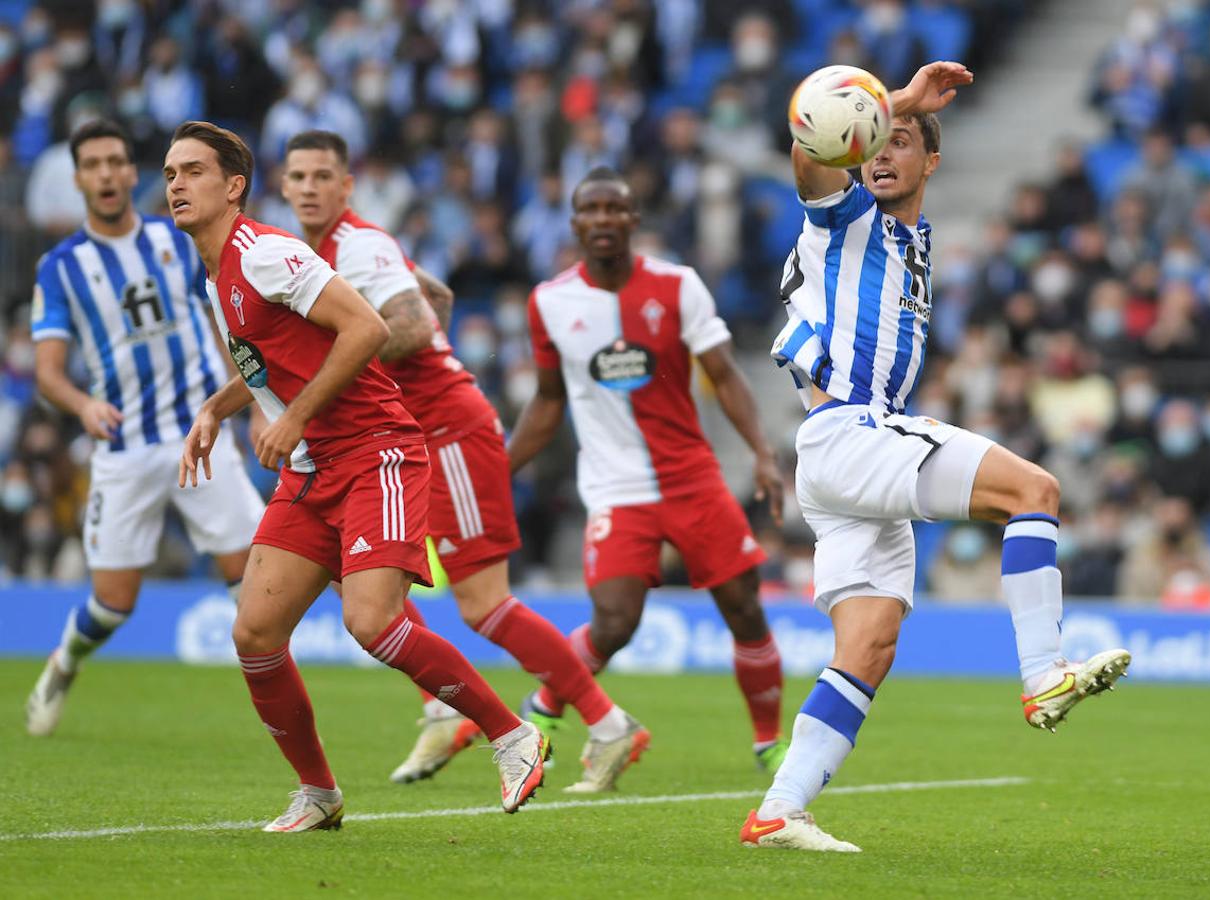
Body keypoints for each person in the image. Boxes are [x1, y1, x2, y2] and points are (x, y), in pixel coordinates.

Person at [741, 62, 1130, 853]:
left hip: (845, 462)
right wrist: (893, 104)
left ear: (931, 162)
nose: (882, 151)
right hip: (849, 432)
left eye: (902, 141)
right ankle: (1042, 674)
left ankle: (778, 812)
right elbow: (811, 156)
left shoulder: (910, 242)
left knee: (869, 646)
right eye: (875, 141)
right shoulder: (844, 220)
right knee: (1034, 489)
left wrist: (892, 117)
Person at [165, 120, 546, 832]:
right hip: (313, 472)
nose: (176, 185)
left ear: (233, 187)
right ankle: (319, 793)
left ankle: (513, 734)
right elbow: (276, 360)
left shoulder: (268, 253)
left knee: (370, 622)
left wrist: (294, 417)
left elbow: (368, 328)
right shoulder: (214, 273)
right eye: (170, 174)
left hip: (378, 452)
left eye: (191, 172)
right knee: (254, 633)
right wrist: (217, 408)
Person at [277, 129, 647, 793]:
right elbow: (437, 297)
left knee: (483, 605)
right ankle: (443, 709)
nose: (308, 188)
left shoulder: (357, 245)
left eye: (321, 176)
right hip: (402, 440)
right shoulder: (317, 253)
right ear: (283, 185)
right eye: (297, 176)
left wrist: (330, 362)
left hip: (446, 430)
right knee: (346, 567)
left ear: (345, 185)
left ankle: (607, 722)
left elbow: (416, 325)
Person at [510, 166, 790, 773]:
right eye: (592, 210)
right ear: (575, 222)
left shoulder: (678, 285)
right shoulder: (551, 302)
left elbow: (723, 372)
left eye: (616, 209)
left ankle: (770, 743)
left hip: (692, 478)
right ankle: (542, 708)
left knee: (744, 607)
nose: (604, 220)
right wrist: (498, 466)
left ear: (634, 221)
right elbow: (549, 399)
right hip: (615, 488)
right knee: (613, 623)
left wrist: (763, 453)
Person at [24, 120, 264, 737]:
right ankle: (65, 661)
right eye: (93, 164)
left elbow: (223, 317)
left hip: (198, 434)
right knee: (114, 603)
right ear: (78, 179)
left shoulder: (177, 236)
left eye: (116, 161)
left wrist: (248, 398)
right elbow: (48, 371)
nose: (106, 174)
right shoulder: (60, 267)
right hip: (124, 448)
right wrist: (81, 406)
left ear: (132, 173)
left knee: (252, 582)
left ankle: (272, 699)